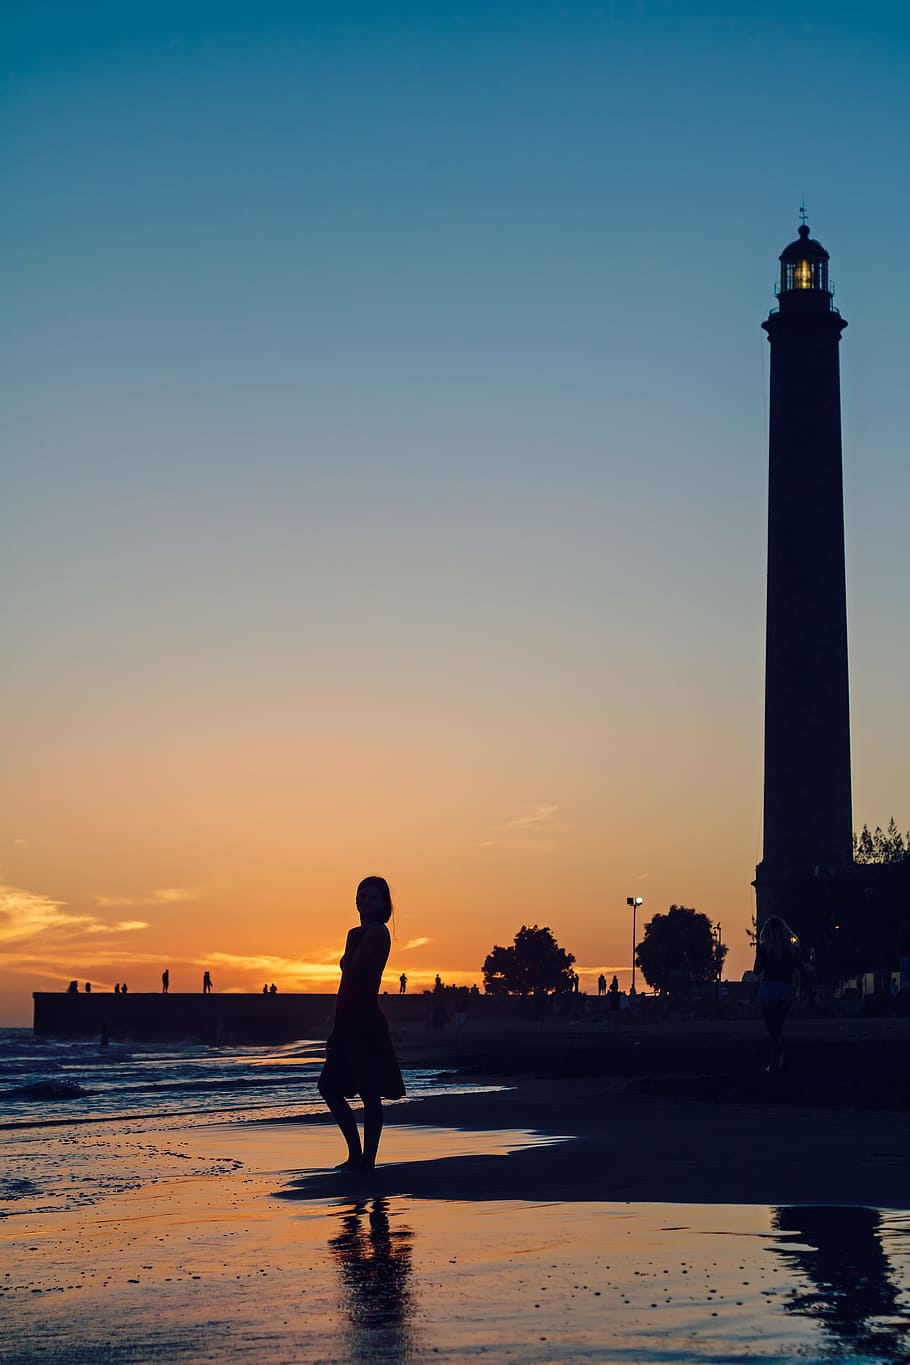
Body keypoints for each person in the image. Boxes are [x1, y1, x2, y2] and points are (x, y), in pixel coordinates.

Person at [318, 876, 405, 1171]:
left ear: (383, 903)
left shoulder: (378, 933)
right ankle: (355, 1154)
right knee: (329, 1087)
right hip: (348, 1019)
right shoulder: (357, 933)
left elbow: (354, 970)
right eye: (362, 896)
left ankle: (367, 1159)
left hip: (366, 1019)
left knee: (369, 1093)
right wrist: (335, 1025)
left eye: (373, 897)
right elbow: (345, 984)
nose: (365, 901)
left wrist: (352, 941)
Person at [753, 915, 804, 1073]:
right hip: (786, 988)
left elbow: (757, 969)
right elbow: (800, 969)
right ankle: (776, 1061)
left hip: (769, 989)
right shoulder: (792, 949)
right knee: (778, 1027)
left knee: (772, 1028)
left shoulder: (763, 949)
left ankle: (781, 1055)